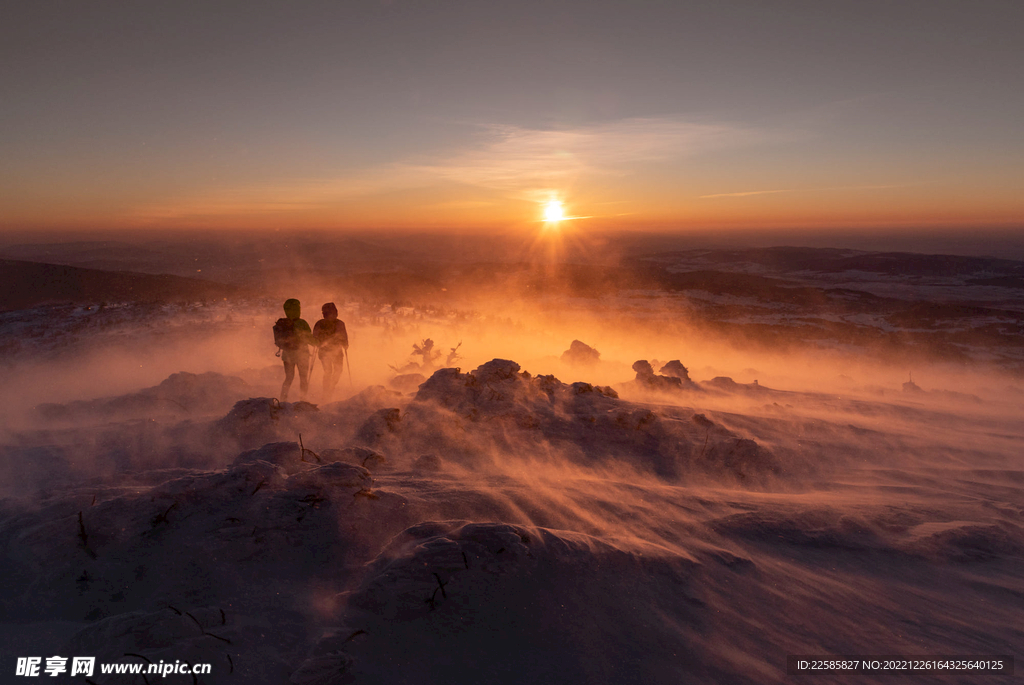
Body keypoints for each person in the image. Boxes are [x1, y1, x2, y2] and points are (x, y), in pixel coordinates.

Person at [273, 299, 314, 401]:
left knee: (288, 378)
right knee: (303, 378)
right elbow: (308, 337)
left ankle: (283, 399)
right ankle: (303, 400)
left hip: (287, 355)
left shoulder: (283, 323)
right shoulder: (302, 323)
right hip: (302, 354)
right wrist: (319, 343)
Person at [313, 302, 349, 399]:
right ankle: (328, 390)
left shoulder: (320, 323)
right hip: (331, 351)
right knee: (333, 371)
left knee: (332, 371)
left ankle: (329, 389)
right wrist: (345, 345)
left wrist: (317, 343)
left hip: (330, 351)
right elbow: (344, 336)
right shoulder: (339, 323)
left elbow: (314, 338)